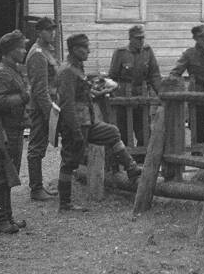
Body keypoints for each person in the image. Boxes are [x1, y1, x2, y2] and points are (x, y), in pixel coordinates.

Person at [55, 33, 142, 212]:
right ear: (74, 49)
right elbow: (67, 104)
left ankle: (131, 168)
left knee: (112, 132)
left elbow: (83, 96)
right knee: (70, 161)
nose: (88, 50)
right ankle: (65, 203)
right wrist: (75, 131)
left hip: (88, 122)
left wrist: (98, 92)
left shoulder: (78, 68)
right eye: (84, 47)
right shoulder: (68, 71)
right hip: (76, 125)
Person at [0, 30, 30, 235]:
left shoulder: (13, 70)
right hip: (5, 131)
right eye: (21, 47)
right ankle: (1, 220)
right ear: (11, 50)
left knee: (9, 173)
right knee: (2, 174)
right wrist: (22, 98)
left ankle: (8, 217)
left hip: (15, 128)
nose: (24, 51)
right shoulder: (4, 72)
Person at [107, 25, 162, 149]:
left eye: (142, 38)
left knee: (144, 131)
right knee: (123, 131)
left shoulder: (148, 52)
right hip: (123, 98)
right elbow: (113, 76)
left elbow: (154, 75)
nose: (141, 41)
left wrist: (161, 93)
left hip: (141, 97)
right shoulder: (121, 53)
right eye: (138, 39)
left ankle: (141, 159)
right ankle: (122, 160)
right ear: (130, 39)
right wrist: (113, 95)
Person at [24, 17, 60, 201]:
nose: (52, 33)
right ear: (39, 32)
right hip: (41, 107)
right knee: (36, 146)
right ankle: (36, 188)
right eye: (48, 30)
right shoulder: (38, 53)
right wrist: (50, 114)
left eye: (53, 29)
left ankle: (38, 186)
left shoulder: (47, 51)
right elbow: (40, 89)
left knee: (41, 144)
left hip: (48, 104)